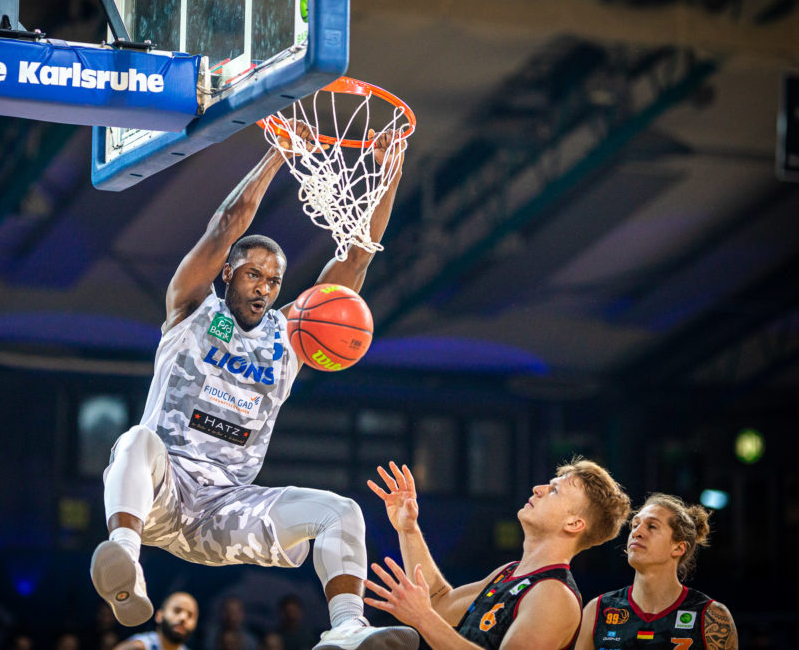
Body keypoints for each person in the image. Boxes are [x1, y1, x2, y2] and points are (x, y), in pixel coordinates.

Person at [90, 126, 417, 650]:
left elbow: (356, 257)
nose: (263, 287)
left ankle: (346, 630)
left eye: (273, 281)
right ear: (227, 275)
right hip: (162, 491)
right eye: (253, 274)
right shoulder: (192, 307)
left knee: (342, 512)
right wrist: (276, 157)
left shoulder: (291, 337)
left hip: (227, 508)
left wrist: (390, 170)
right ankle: (125, 559)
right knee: (135, 440)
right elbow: (227, 224)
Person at [364, 458, 632, 650]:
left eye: (554, 490)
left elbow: (430, 614)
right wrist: (408, 529)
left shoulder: (554, 596)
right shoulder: (510, 572)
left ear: (573, 524)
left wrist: (423, 619)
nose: (539, 488)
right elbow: (440, 604)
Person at [575, 493, 738, 649]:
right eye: (635, 525)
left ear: (678, 547)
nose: (636, 533)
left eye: (652, 526)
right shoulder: (597, 610)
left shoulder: (710, 615)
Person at [116, 592, 199, 650]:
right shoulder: (138, 647)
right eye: (177, 611)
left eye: (190, 615)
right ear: (159, 616)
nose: (183, 618)